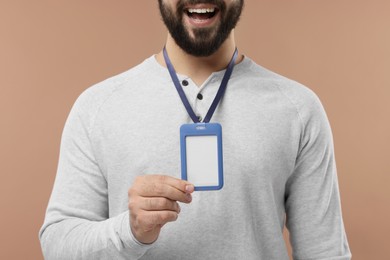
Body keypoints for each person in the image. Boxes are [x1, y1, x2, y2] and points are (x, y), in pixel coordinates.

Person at [39, 0, 352, 259]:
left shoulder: (299, 108)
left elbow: (324, 251)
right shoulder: (97, 107)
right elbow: (57, 243)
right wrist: (130, 231)